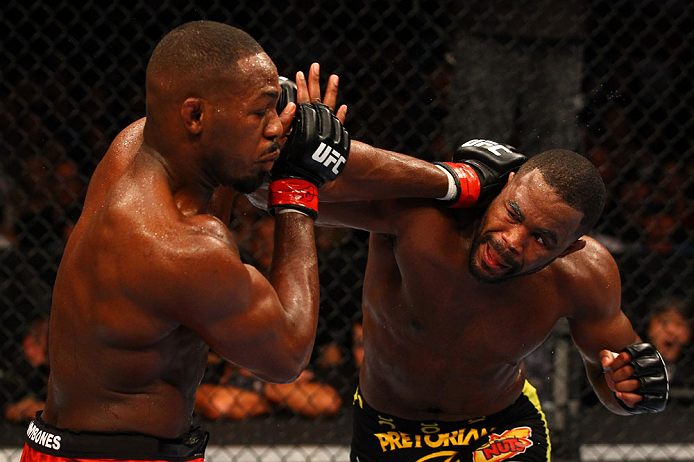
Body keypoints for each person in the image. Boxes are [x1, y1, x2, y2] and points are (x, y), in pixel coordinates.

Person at [268, 66, 669, 462]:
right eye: (513, 213)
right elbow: (277, 191)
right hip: (387, 429)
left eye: (542, 239)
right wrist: (309, 141)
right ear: (506, 184)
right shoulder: (420, 217)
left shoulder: (585, 275)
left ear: (569, 249)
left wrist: (630, 392)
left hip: (501, 429)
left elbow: (613, 379)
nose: (512, 242)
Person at [20, 21, 350, 462]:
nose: (274, 129)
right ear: (195, 115)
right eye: (260, 114)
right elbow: (287, 357)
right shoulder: (178, 246)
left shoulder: (133, 146)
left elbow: (223, 163)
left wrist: (276, 116)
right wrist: (297, 186)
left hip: (71, 444)